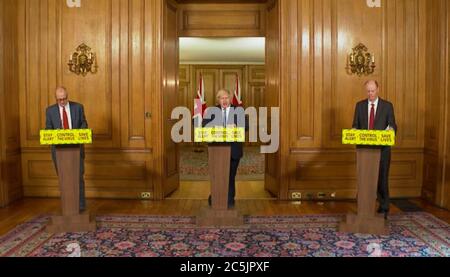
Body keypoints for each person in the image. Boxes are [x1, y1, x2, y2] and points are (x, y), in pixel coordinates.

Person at [352, 80, 397, 219]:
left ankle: (383, 208)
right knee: (365, 179)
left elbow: (393, 125)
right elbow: (355, 125)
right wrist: (353, 131)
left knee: (382, 179)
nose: (370, 94)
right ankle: (364, 208)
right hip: (364, 151)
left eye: (372, 91)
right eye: (368, 91)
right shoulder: (359, 106)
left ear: (378, 89)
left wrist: (391, 130)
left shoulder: (387, 106)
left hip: (382, 150)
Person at [202, 89, 248, 208]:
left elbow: (246, 126)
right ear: (218, 100)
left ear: (230, 98)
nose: (224, 100)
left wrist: (237, 126)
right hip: (216, 151)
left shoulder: (238, 110)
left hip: (234, 151)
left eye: (226, 97)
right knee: (217, 175)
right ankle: (216, 197)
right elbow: (203, 126)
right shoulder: (212, 111)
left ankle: (229, 199)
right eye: (221, 98)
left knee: (230, 176)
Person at [45, 86, 88, 212]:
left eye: (64, 99)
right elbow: (48, 129)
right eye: (59, 100)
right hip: (58, 151)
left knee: (78, 177)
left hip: (76, 149)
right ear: (56, 99)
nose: (62, 102)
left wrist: (77, 133)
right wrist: (55, 133)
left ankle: (80, 207)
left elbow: (84, 124)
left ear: (67, 97)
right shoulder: (50, 111)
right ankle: (67, 207)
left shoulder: (78, 107)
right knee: (64, 178)